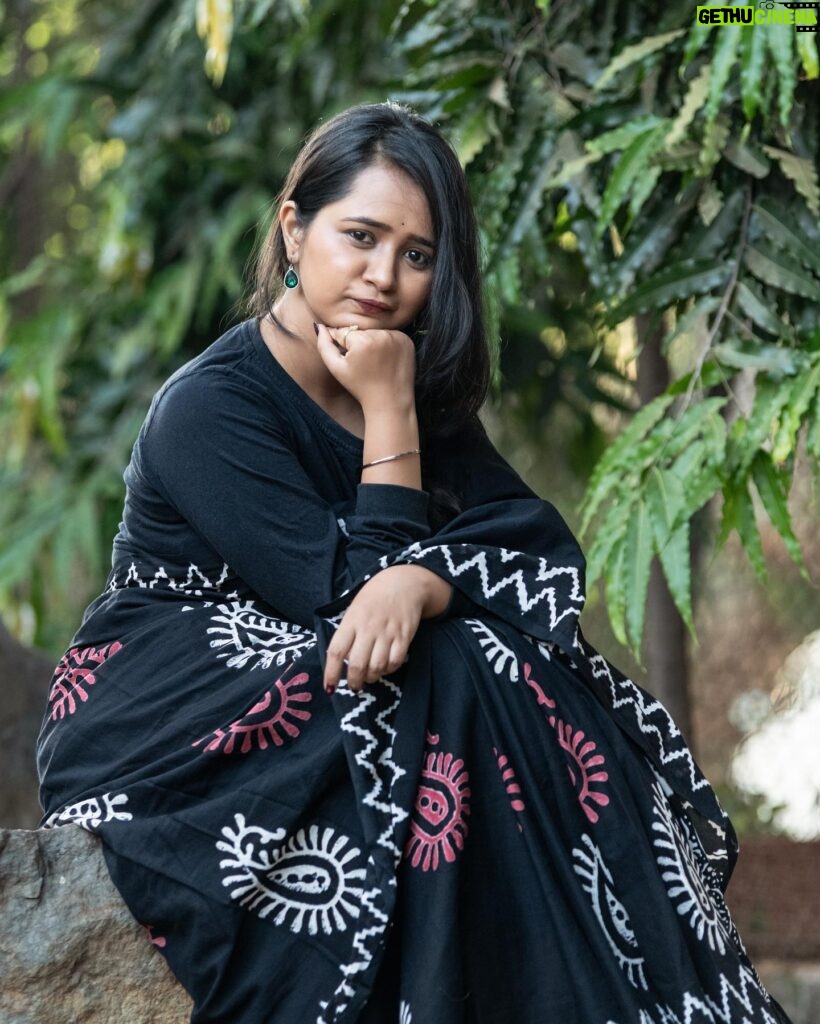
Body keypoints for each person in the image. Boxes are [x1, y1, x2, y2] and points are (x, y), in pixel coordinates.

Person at [36, 101, 792, 1024]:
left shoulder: (406, 377)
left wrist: (424, 576)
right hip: (175, 700)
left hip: (331, 666)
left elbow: (531, 543)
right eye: (359, 236)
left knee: (500, 657)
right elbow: (351, 618)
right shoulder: (207, 410)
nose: (384, 277)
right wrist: (388, 420)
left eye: (418, 254)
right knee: (454, 664)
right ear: (293, 228)